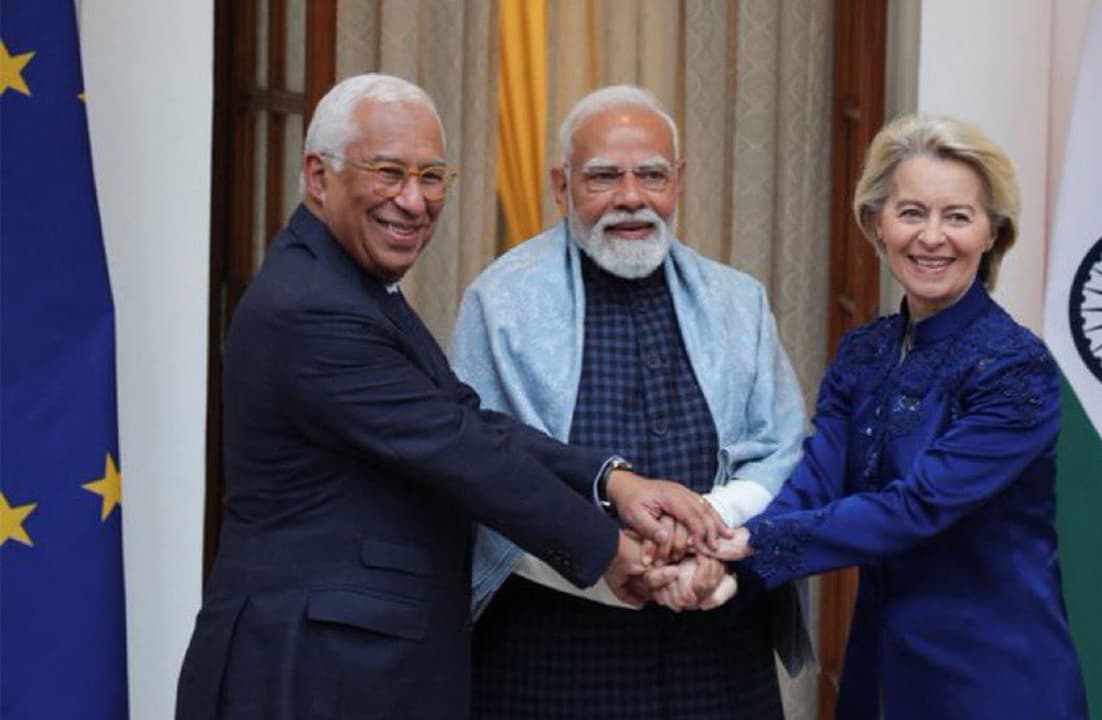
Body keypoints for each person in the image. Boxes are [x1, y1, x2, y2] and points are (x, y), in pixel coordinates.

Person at [174, 73, 724, 720]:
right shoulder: (311, 308)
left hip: (353, 665)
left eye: (432, 176)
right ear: (319, 177)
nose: (413, 200)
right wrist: (607, 548)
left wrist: (613, 481)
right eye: (388, 172)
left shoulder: (348, 281)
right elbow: (459, 451)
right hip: (308, 673)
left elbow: (463, 419)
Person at [449, 85, 813, 718]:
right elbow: (483, 471)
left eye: (651, 175)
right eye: (603, 177)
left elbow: (782, 450)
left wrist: (709, 534)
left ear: (679, 180)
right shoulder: (500, 303)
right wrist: (614, 558)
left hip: (717, 653)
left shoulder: (738, 301)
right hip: (552, 658)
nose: (630, 197)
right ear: (560, 186)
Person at [713, 114, 1088, 719]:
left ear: (992, 233)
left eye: (957, 217)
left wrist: (747, 545)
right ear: (876, 224)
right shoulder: (865, 353)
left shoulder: (1017, 368)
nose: (931, 237)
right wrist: (720, 549)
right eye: (911, 212)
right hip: (880, 669)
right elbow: (814, 483)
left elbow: (917, 508)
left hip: (996, 681)